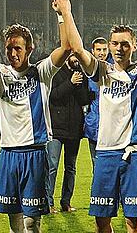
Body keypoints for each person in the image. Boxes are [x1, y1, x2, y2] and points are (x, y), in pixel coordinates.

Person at [67, 0, 137, 233]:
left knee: (133, 220)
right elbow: (76, 47)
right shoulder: (101, 71)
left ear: (134, 45)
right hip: (105, 153)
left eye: (124, 44)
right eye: (114, 43)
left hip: (134, 153)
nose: (118, 48)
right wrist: (66, 10)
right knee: (101, 219)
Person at [0, 0, 78, 233]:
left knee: (32, 221)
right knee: (14, 218)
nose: (12, 53)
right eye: (9, 48)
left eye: (17, 48)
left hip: (35, 152)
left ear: (30, 48)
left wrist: (62, 14)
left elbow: (66, 47)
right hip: (8, 153)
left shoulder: (42, 71)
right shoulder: (0, 73)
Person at [46, 53, 92, 212]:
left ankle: (66, 202)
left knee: (70, 167)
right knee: (52, 166)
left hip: (74, 128)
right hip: (56, 129)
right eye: (74, 56)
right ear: (67, 57)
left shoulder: (81, 74)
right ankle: (48, 202)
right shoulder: (55, 72)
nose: (77, 60)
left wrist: (78, 85)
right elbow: (53, 96)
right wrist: (70, 83)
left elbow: (84, 100)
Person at [83, 37, 108, 162]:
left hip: (110, 128)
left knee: (109, 163)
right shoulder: (86, 72)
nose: (101, 53)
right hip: (93, 125)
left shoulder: (114, 69)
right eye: (98, 49)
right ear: (92, 51)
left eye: (104, 49)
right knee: (95, 162)